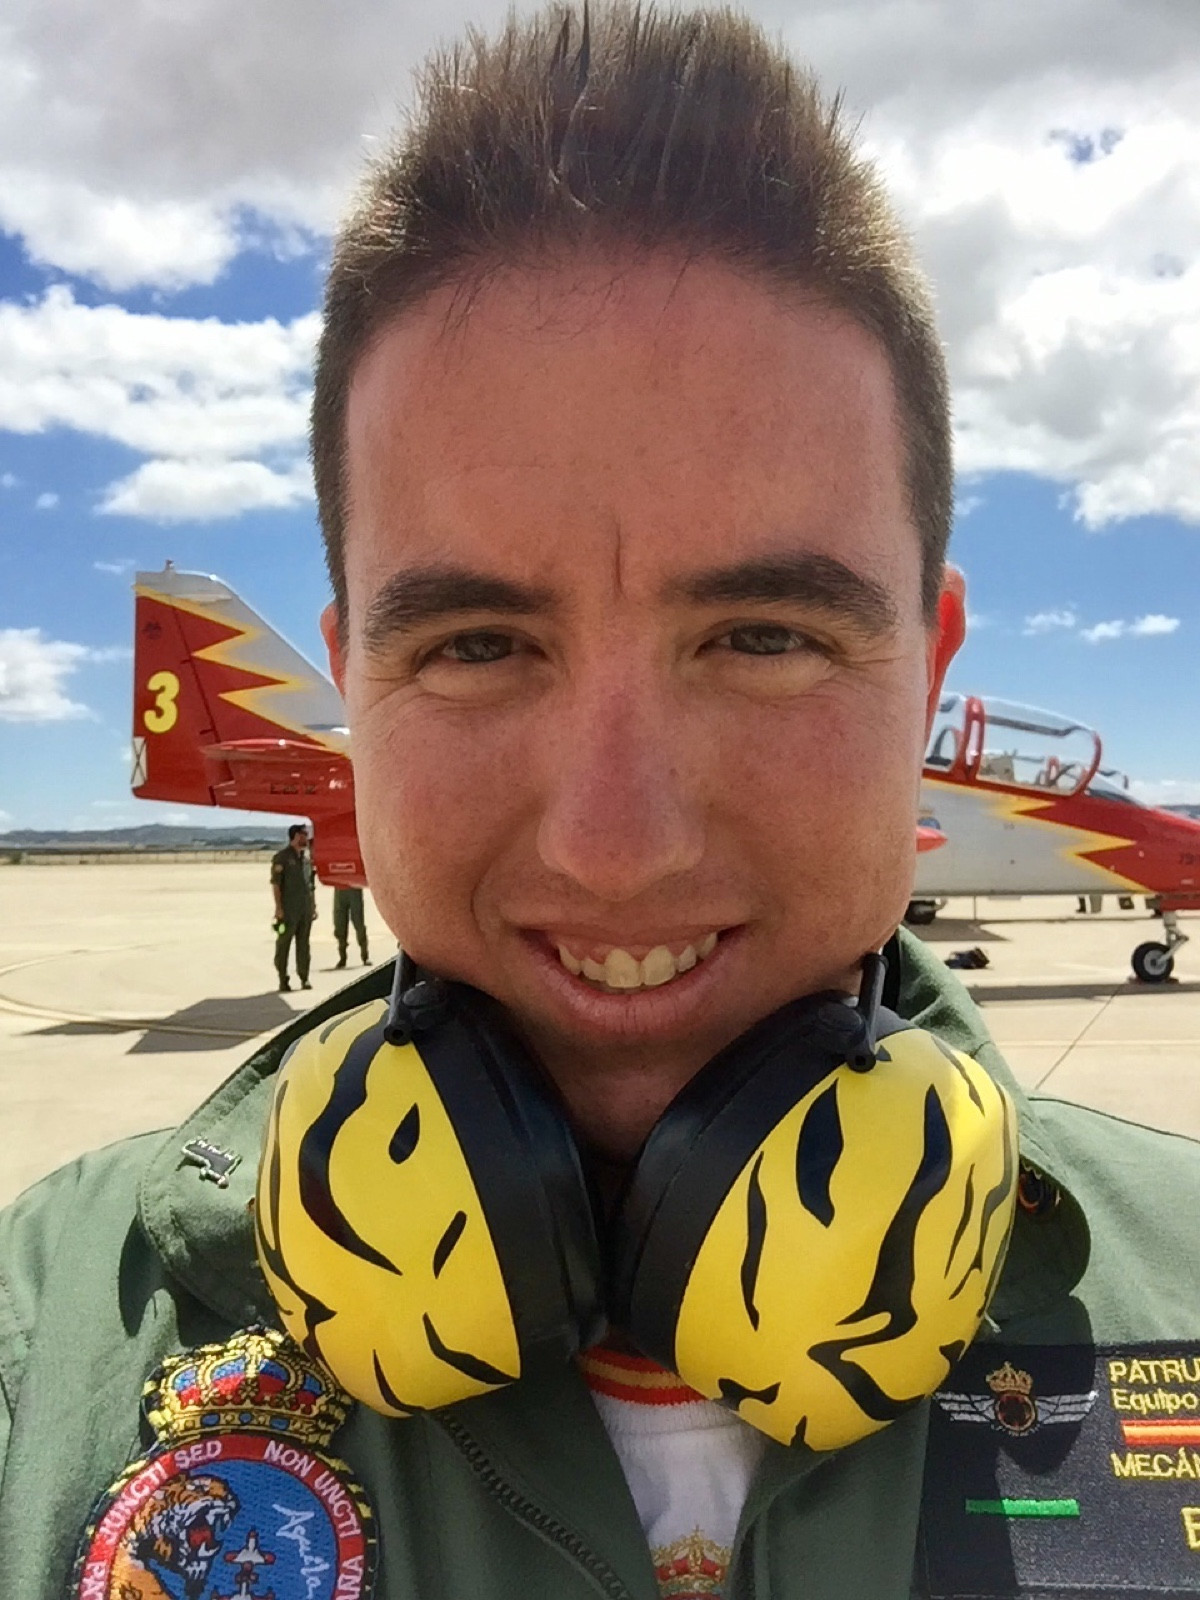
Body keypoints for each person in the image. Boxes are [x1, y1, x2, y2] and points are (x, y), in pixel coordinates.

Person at [2, 8, 1199, 1598]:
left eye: (764, 638)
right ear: (354, 686)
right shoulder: (44, 1363)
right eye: (478, 646)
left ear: (931, 673)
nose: (616, 845)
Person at [270, 821, 316, 991]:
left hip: (304, 909)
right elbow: (276, 884)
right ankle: (283, 979)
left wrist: (313, 906)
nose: (306, 838)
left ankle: (304, 978)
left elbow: (310, 885)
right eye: (303, 835)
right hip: (288, 910)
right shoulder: (282, 858)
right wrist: (278, 908)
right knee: (283, 944)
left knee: (303, 945)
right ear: (295, 836)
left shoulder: (305, 860)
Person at [332, 883, 370, 967]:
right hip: (339, 888)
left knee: (358, 922)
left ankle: (365, 955)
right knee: (340, 924)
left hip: (354, 887)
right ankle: (342, 956)